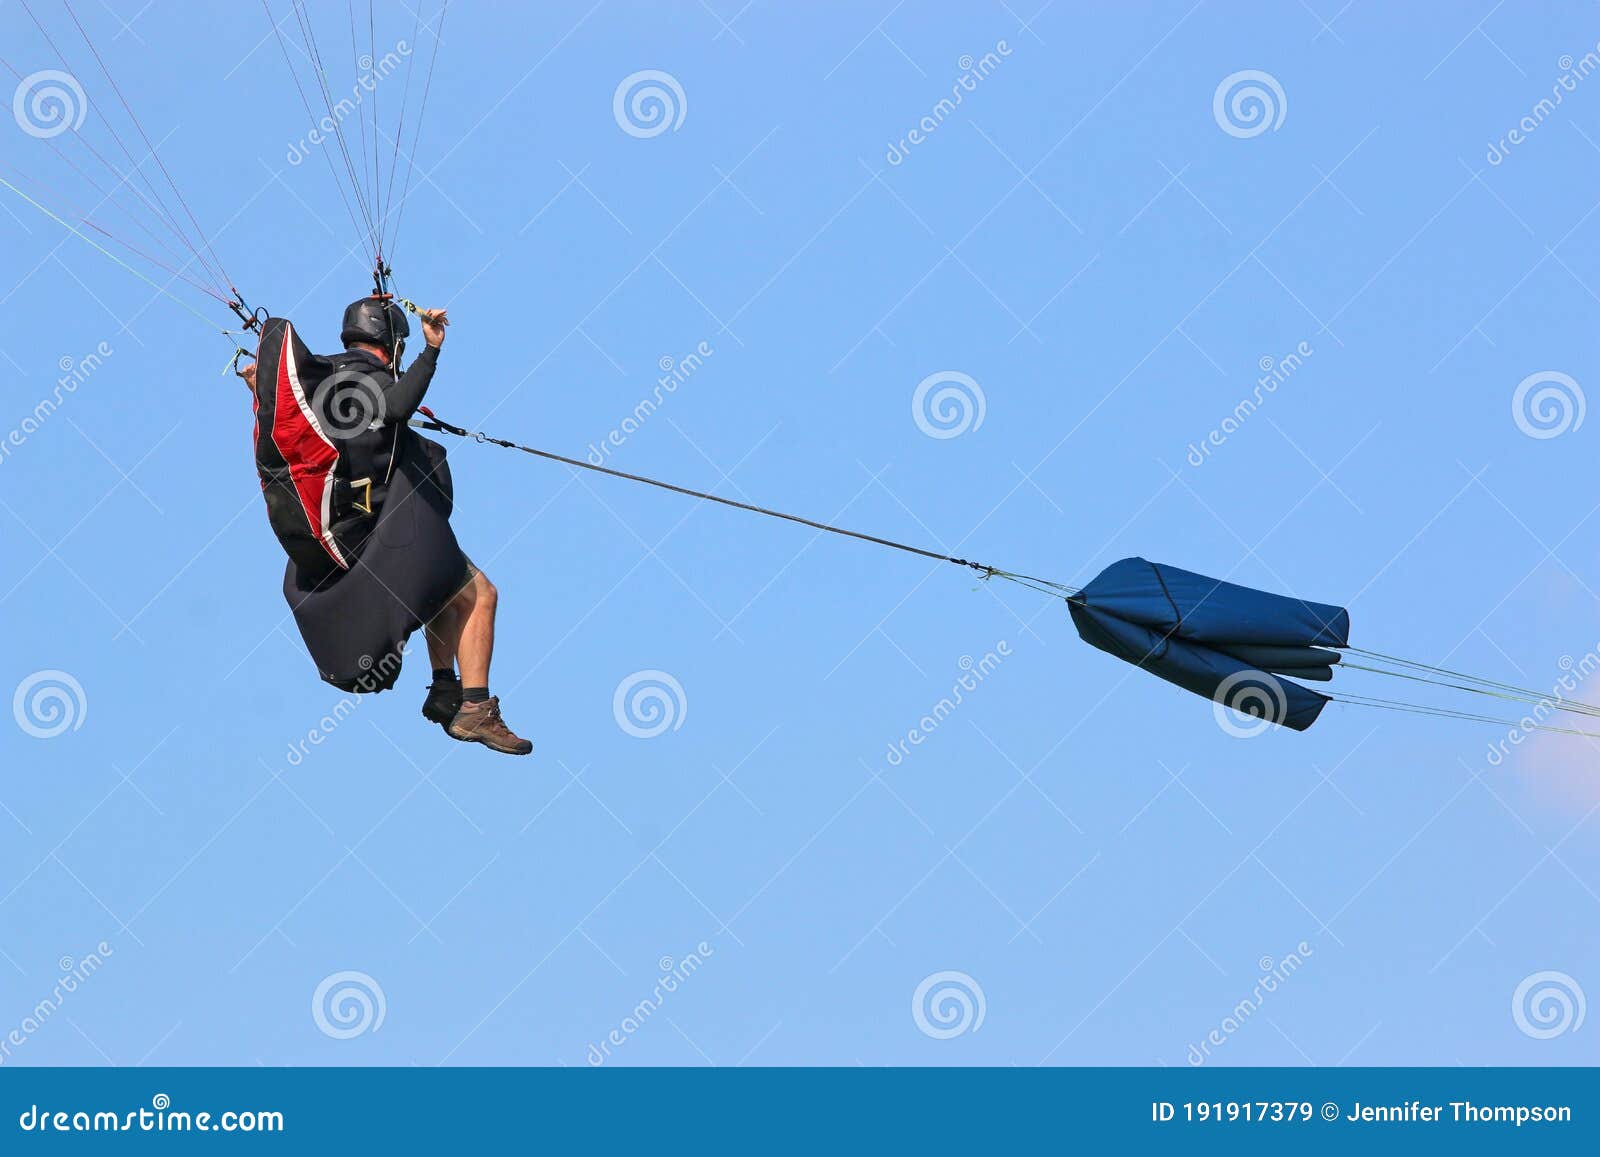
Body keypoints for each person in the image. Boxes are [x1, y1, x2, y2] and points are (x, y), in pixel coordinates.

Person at [242, 297, 532, 756]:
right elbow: (395, 407)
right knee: (482, 595)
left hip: (349, 538)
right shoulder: (365, 373)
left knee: (443, 591)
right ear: (392, 344)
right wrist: (432, 351)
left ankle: (443, 691)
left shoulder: (322, 374)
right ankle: (475, 708)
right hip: (382, 534)